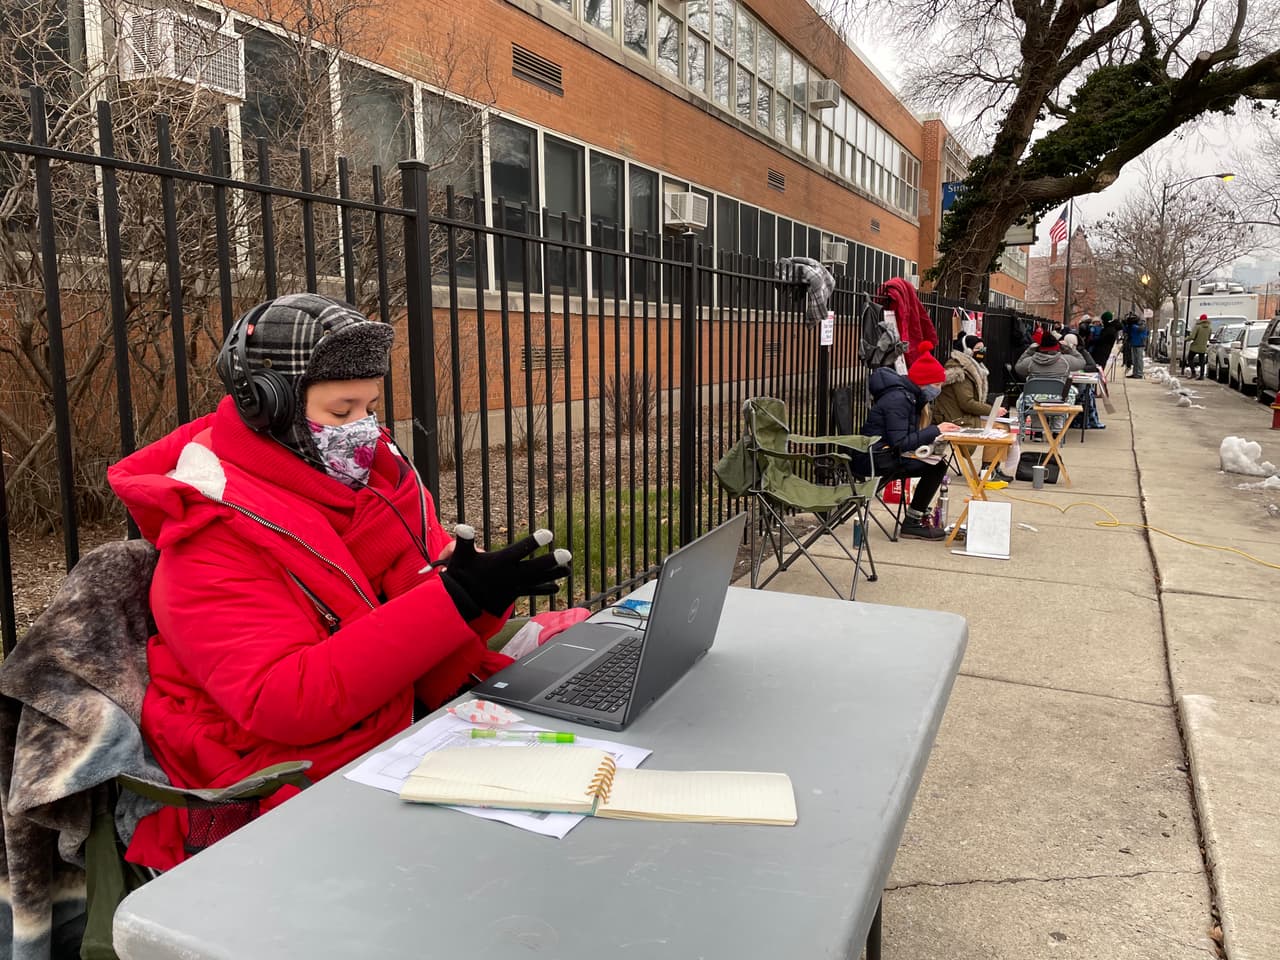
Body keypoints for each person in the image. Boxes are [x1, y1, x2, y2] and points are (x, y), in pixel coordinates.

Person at [107, 293, 572, 870]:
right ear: (266, 408)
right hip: (273, 774)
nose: (364, 430)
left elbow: (410, 648)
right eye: (341, 410)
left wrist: (479, 601)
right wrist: (447, 603)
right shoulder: (208, 538)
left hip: (392, 731)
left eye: (371, 406)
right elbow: (283, 701)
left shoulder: (381, 488)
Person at [853, 344, 959, 541]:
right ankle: (912, 522)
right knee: (936, 467)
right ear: (923, 383)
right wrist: (934, 430)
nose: (938, 390)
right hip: (874, 457)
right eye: (936, 385)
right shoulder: (899, 400)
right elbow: (900, 442)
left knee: (935, 462)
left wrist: (932, 438)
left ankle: (915, 518)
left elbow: (901, 439)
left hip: (883, 452)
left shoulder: (908, 397)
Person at [938, 335, 1012, 480]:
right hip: (955, 419)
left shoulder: (972, 369)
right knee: (998, 428)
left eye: (983, 348)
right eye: (978, 348)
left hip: (963, 416)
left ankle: (993, 467)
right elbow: (967, 403)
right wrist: (992, 410)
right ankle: (987, 470)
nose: (982, 351)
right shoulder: (960, 372)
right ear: (967, 350)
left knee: (1003, 427)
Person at [1014, 330, 1084, 436]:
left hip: (1035, 399)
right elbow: (1081, 362)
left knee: (1033, 398)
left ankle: (1037, 430)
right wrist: (1068, 349)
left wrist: (1029, 351)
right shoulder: (1065, 361)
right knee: (1062, 396)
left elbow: (1018, 367)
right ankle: (1057, 430)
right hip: (1058, 399)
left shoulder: (1031, 361)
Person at [1063, 333, 1104, 429]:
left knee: (1084, 390)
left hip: (1078, 381)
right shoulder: (1060, 352)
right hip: (1064, 383)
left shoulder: (1082, 352)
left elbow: (1093, 366)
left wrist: (1080, 369)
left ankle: (1080, 419)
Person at [1188, 313, 1213, 380]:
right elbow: (1209, 337)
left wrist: (1186, 339)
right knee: (1201, 361)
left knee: (1190, 358)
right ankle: (1201, 375)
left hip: (1195, 346)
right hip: (1203, 347)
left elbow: (1192, 336)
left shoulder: (1197, 326)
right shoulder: (1209, 328)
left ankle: (1193, 373)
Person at [1123, 311, 1148, 378]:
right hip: (1133, 343)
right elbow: (1126, 331)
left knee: (1139, 359)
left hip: (1140, 343)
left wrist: (1132, 325)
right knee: (1134, 360)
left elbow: (1140, 329)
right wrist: (1125, 324)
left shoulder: (1141, 323)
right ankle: (1135, 373)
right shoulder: (1132, 325)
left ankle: (1139, 373)